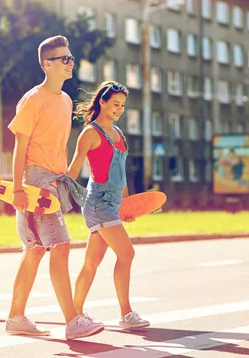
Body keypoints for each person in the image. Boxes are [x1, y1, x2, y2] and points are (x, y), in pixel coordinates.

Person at [5, 35, 104, 340]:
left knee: (34, 250)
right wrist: (20, 189)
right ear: (47, 64)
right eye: (65, 59)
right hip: (36, 180)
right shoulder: (33, 99)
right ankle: (73, 320)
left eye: (71, 58)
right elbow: (20, 146)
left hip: (55, 179)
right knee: (59, 247)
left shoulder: (64, 100)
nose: (70, 63)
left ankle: (16, 317)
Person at [67, 81, 150, 329]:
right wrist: (58, 195)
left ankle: (75, 313)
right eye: (115, 104)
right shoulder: (90, 133)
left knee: (92, 261)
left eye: (122, 105)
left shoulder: (119, 134)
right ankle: (126, 313)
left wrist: (127, 205)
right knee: (127, 253)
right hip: (97, 203)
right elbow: (73, 169)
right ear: (102, 102)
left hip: (114, 203)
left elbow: (121, 172)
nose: (119, 109)